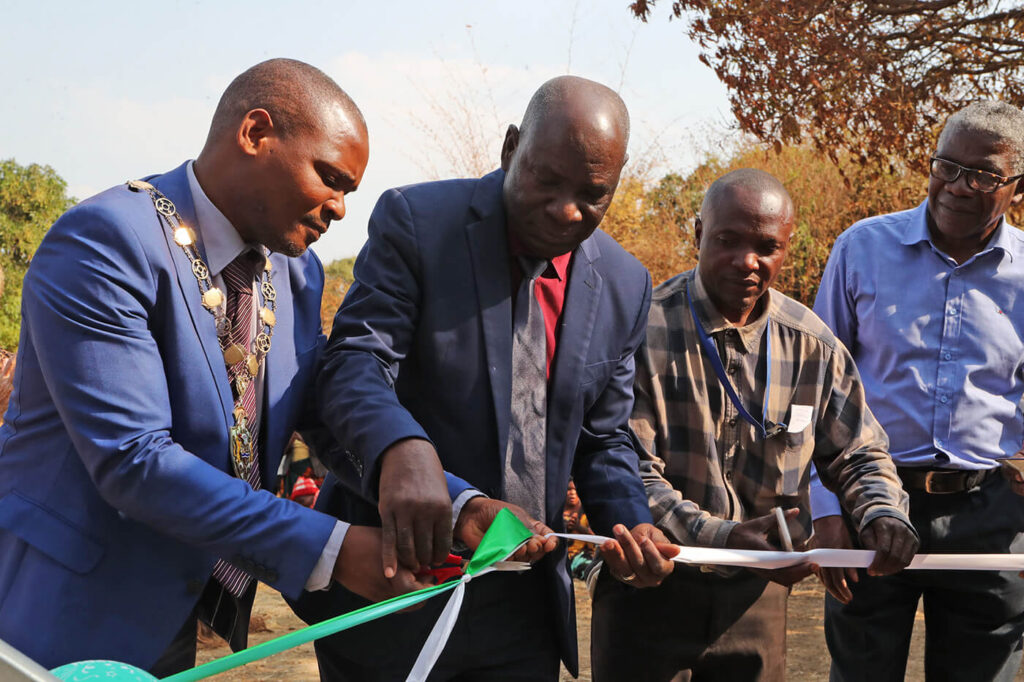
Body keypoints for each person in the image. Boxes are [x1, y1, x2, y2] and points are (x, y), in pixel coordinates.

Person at [0, 58, 430, 675]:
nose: (339, 208)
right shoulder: (106, 241)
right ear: (255, 133)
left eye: (349, 192)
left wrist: (443, 493)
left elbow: (318, 414)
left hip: (180, 608)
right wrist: (330, 548)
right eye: (330, 178)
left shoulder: (295, 272)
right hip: (69, 609)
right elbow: (133, 459)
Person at [292, 75, 675, 680]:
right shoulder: (417, 223)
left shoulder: (626, 285)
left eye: (592, 194)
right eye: (547, 180)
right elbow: (355, 366)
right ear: (510, 147)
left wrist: (632, 526)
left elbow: (604, 439)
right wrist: (403, 450)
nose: (566, 209)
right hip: (397, 592)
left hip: (523, 612)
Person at [591, 169, 918, 681]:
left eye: (767, 246)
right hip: (652, 584)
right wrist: (723, 537)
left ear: (785, 248)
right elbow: (628, 470)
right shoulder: (642, 330)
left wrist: (882, 512)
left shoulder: (813, 345)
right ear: (698, 234)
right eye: (727, 241)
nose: (748, 261)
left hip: (757, 596)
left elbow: (858, 451)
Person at [811, 101, 1024, 682]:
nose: (957, 186)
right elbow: (813, 388)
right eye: (946, 166)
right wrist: (825, 507)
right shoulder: (862, 249)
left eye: (983, 175)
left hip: (992, 517)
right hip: (869, 504)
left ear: (1016, 187)